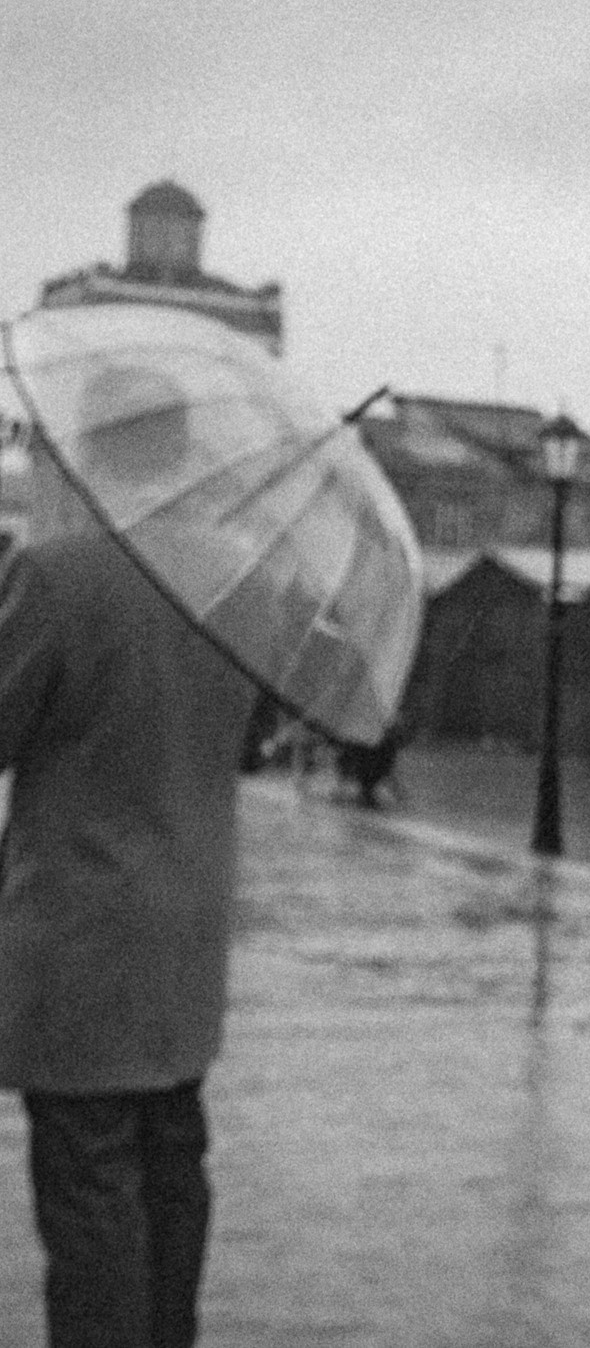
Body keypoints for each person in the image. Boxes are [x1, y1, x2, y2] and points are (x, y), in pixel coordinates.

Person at [0, 401, 259, 1347]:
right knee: (172, 1167)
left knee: (91, 1188)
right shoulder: (239, 584)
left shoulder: (58, 575)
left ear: (92, 457)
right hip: (187, 938)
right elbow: (247, 739)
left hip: (82, 942)